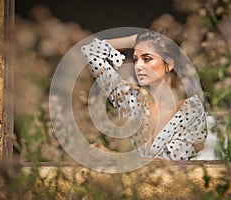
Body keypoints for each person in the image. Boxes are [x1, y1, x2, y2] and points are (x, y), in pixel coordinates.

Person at [81, 30, 207, 160]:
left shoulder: (190, 109)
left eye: (147, 59)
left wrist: (111, 156)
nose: (138, 66)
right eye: (136, 59)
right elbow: (90, 51)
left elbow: (171, 163)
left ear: (168, 65)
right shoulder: (132, 100)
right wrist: (134, 40)